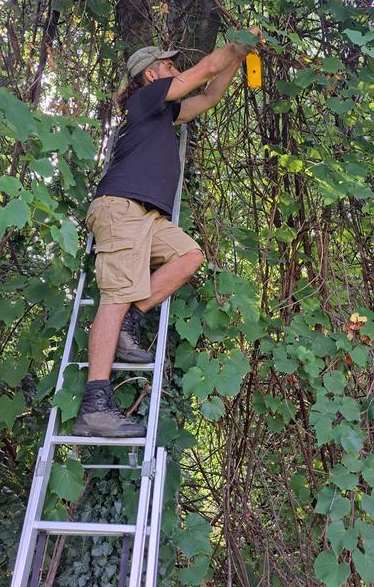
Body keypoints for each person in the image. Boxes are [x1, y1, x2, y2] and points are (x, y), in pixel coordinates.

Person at [73, 29, 260, 437]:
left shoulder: (161, 113)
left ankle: (130, 323)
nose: (176, 69)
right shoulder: (145, 99)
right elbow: (204, 70)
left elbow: (209, 96)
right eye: (170, 65)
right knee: (115, 296)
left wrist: (239, 59)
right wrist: (239, 42)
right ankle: (96, 404)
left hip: (146, 215)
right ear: (151, 74)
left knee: (189, 256)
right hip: (121, 206)